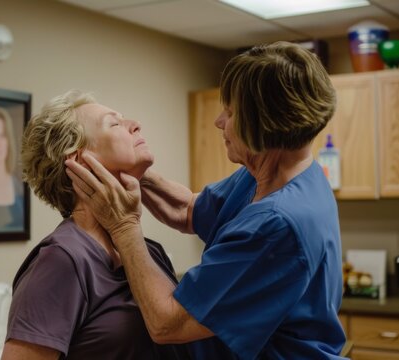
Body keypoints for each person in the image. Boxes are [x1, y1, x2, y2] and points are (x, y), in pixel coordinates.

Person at [65, 41, 347, 359]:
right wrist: (131, 172)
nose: (219, 122)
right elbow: (188, 210)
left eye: (231, 112)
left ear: (262, 124)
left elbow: (168, 323)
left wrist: (124, 224)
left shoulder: (277, 221)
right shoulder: (272, 171)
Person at [2, 90, 193, 360]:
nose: (134, 124)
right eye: (114, 124)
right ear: (80, 162)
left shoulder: (150, 253)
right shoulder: (62, 259)